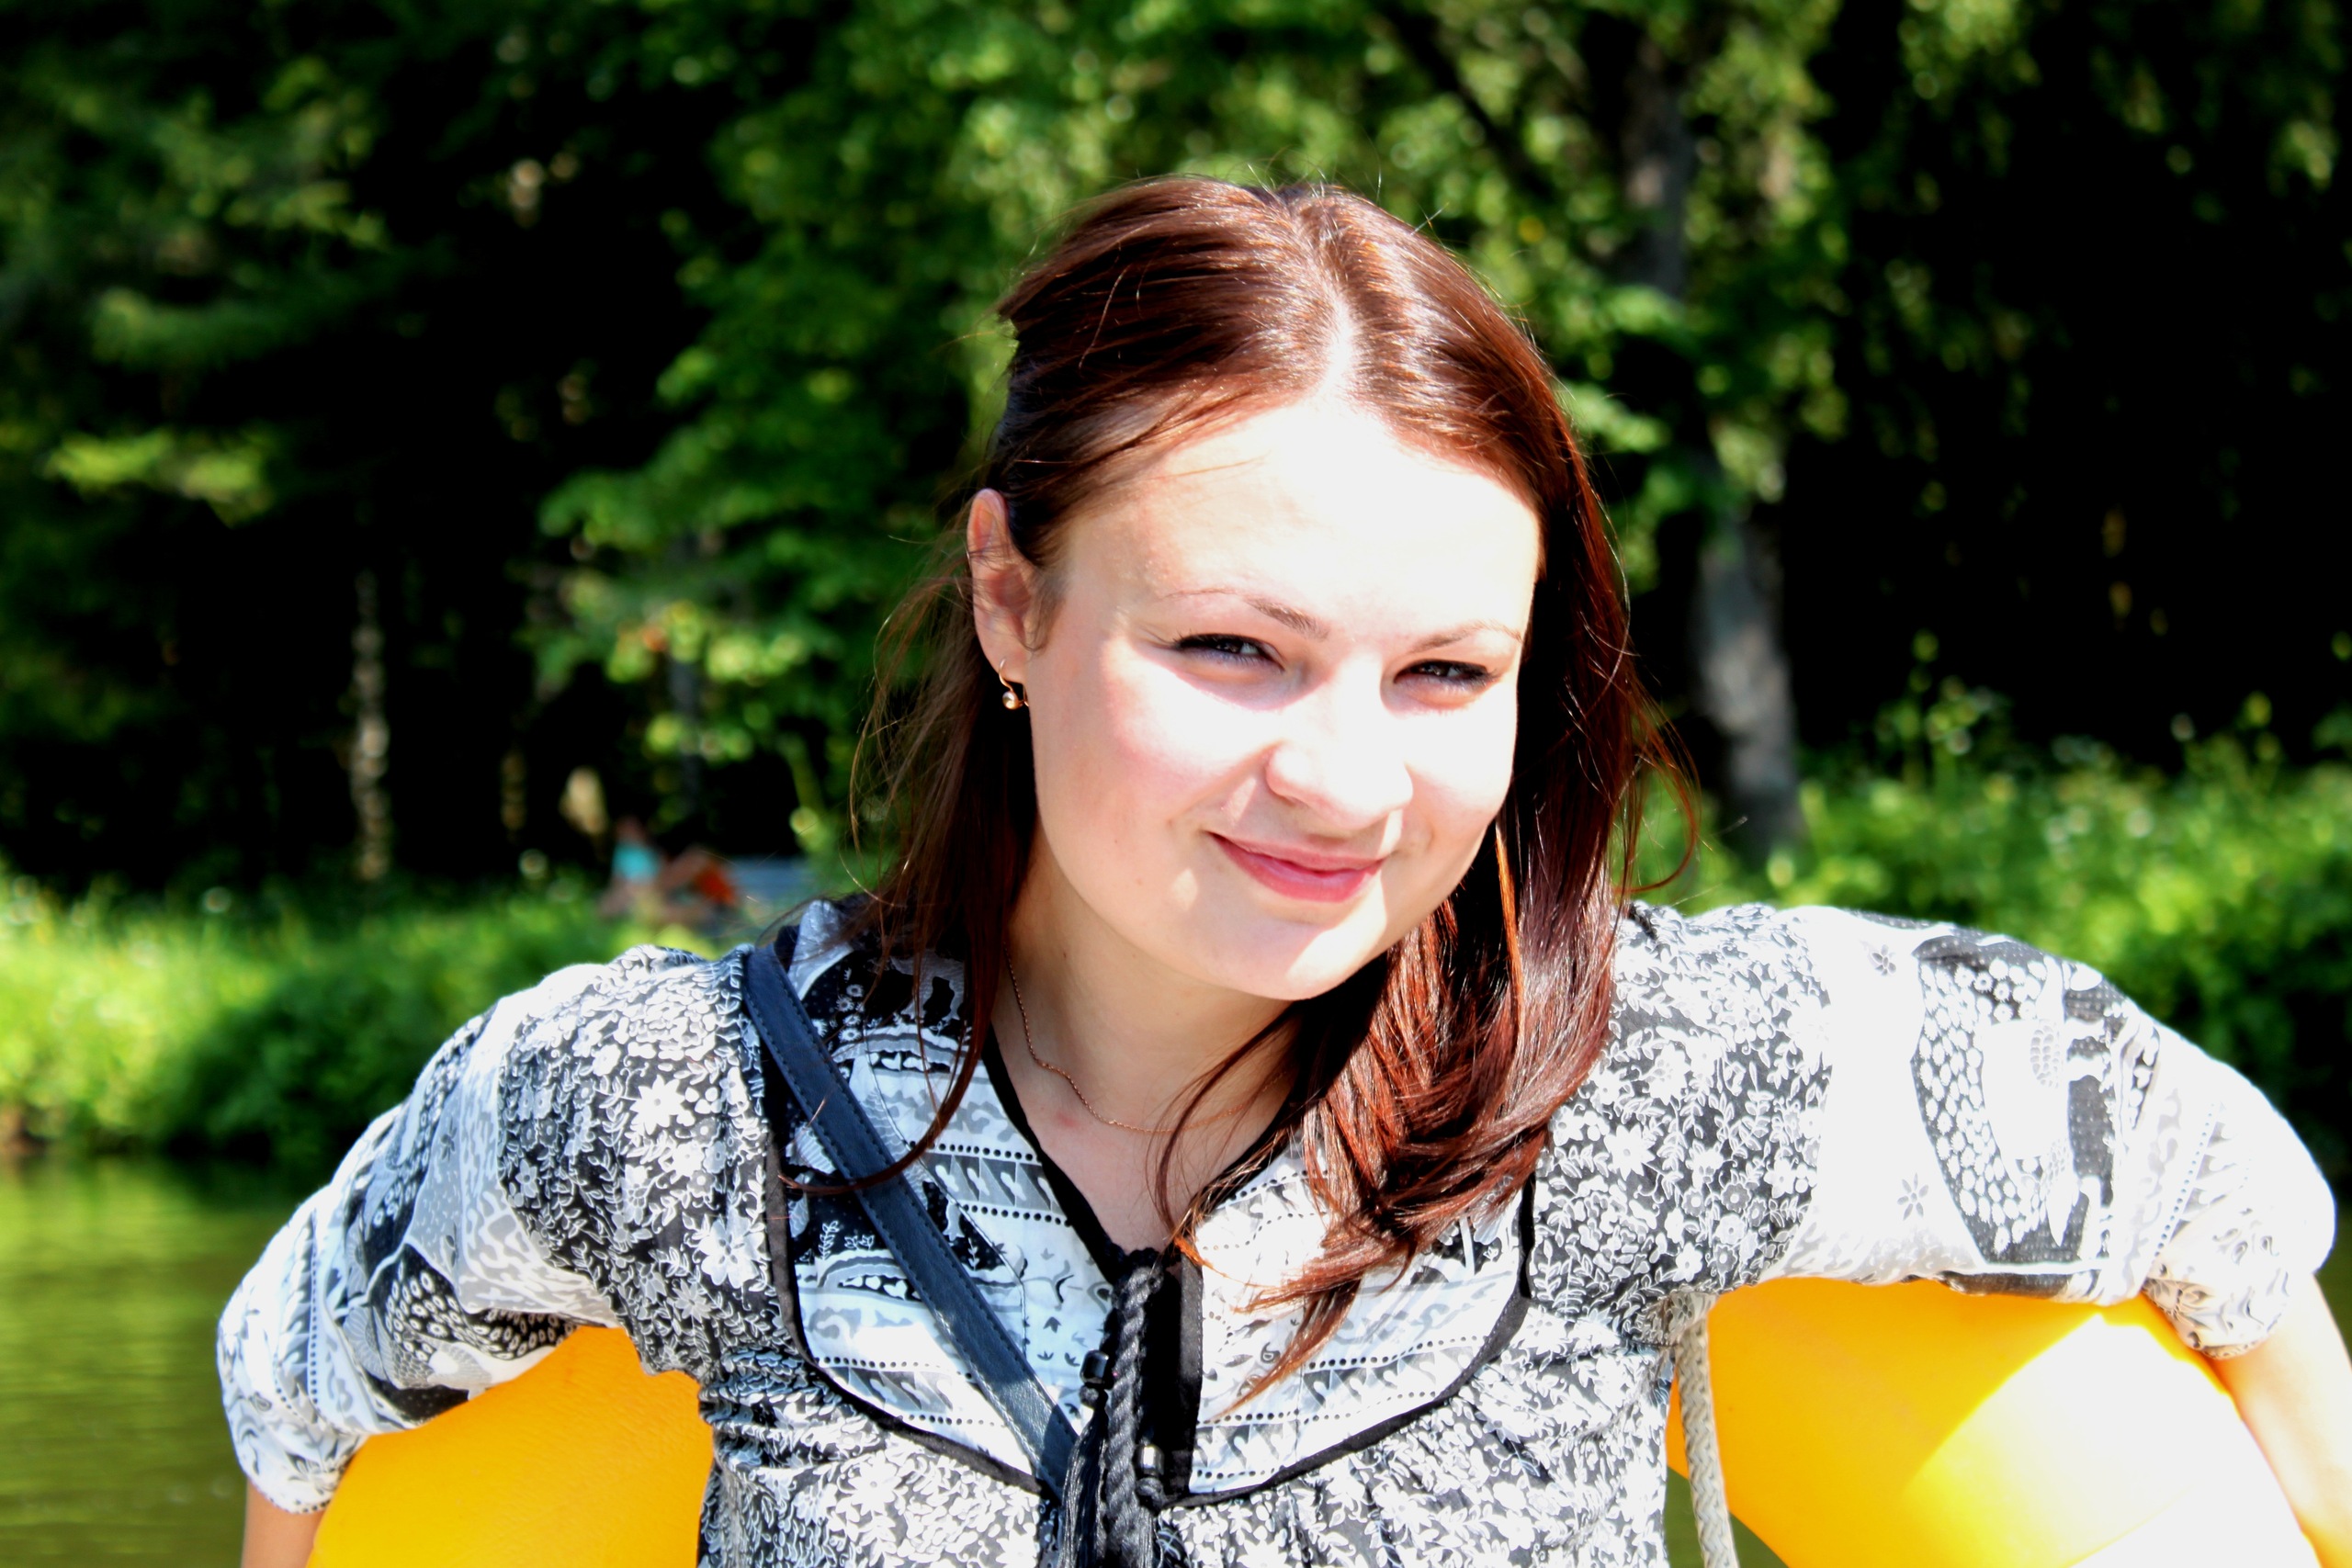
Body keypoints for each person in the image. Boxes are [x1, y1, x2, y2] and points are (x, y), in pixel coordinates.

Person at [223, 179, 2352, 1568]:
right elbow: (300, 1380)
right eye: (1230, 646)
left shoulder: (1668, 1077)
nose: (1338, 778)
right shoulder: (665, 1112)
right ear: (1010, 599)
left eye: (1444, 672)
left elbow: (2202, 1175)